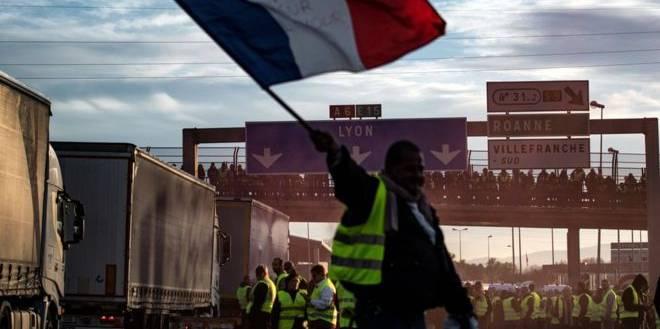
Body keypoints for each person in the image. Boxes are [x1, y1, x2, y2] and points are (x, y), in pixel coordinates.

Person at [309, 131, 475, 329]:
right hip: (381, 316)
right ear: (391, 170)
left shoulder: (423, 210)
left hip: (413, 315)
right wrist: (336, 152)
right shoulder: (375, 195)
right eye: (410, 169)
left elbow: (443, 263)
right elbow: (352, 182)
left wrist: (462, 310)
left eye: (420, 169)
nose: (418, 175)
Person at [306, 264, 337, 329]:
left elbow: (325, 304)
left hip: (324, 322)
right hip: (319, 321)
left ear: (321, 274)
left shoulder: (327, 286)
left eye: (314, 276)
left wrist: (310, 301)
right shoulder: (319, 285)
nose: (312, 278)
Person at [248, 265, 277, 329]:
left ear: (263, 273)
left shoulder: (263, 283)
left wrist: (252, 315)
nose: (256, 276)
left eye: (258, 273)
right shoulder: (271, 283)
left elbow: (258, 302)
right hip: (268, 313)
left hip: (260, 315)